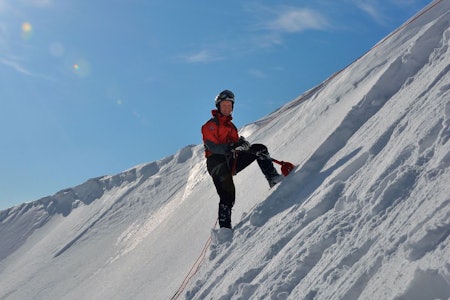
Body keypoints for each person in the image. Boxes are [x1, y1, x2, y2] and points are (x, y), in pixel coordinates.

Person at [201, 89, 282, 229]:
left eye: (229, 105)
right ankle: (224, 230)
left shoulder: (231, 127)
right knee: (228, 195)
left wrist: (242, 145)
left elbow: (234, 145)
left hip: (231, 161)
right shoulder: (211, 125)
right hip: (217, 163)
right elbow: (213, 146)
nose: (227, 107)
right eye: (224, 105)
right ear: (218, 106)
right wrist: (231, 146)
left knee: (259, 149)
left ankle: (274, 179)